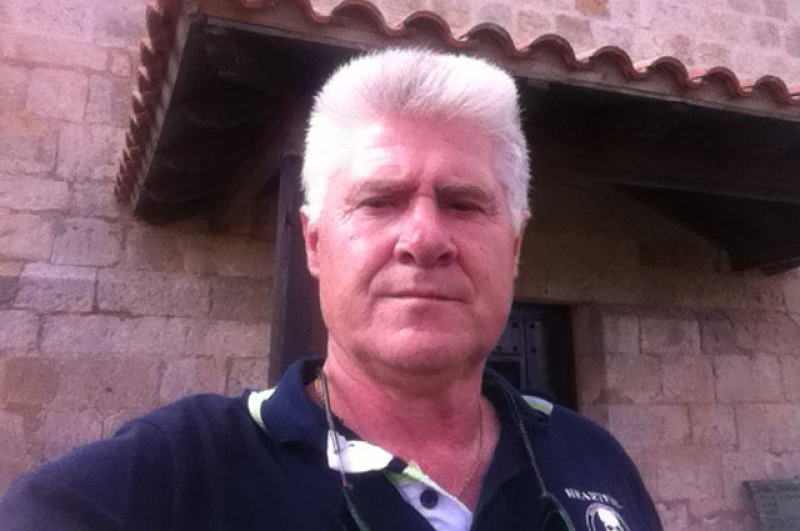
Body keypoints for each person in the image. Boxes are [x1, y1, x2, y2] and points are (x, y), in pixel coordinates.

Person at [0, 49, 662, 530]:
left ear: (513, 248)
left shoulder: (592, 459)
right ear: (314, 244)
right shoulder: (176, 480)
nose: (424, 238)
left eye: (463, 203)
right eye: (379, 200)